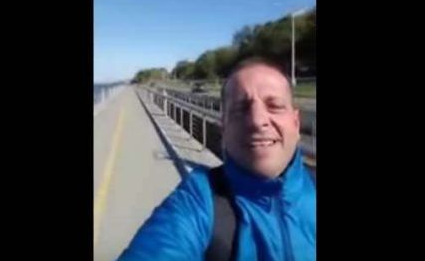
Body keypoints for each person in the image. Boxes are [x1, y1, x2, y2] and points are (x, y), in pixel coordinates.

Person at [117, 57, 316, 261]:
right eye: (241, 109)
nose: (257, 121)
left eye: (274, 106)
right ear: (223, 129)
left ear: (296, 123)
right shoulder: (198, 198)